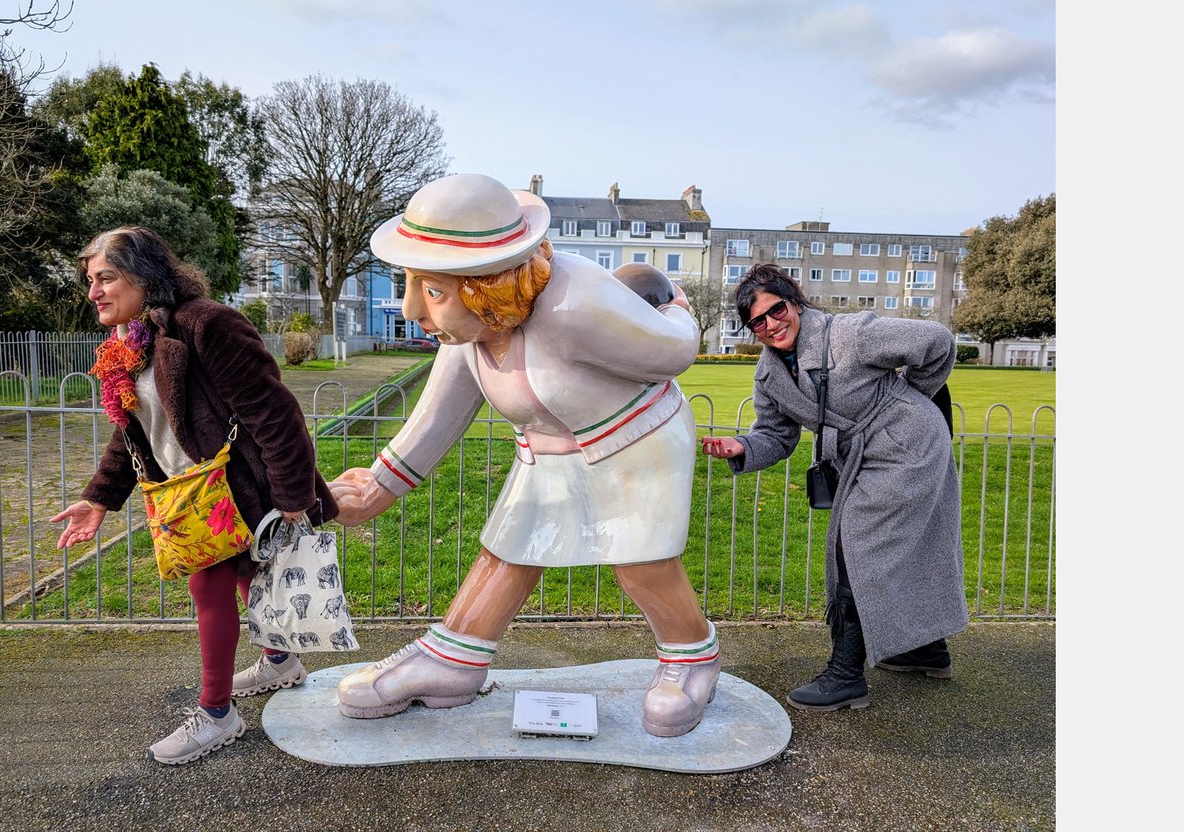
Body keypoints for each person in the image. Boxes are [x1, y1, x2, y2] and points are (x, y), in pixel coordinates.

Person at [328, 173, 721, 737]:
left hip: (636, 435)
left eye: (434, 291)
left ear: (490, 284)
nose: (413, 308)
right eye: (412, 283)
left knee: (641, 562)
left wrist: (677, 308)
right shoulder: (468, 332)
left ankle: (691, 657)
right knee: (508, 551)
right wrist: (380, 485)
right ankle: (454, 659)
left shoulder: (577, 301)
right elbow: (439, 414)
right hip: (548, 447)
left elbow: (675, 349)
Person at [50, 226, 337, 763]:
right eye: (91, 281)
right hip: (190, 495)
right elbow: (133, 433)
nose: (94, 293)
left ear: (145, 277)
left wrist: (294, 498)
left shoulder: (207, 324)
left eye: (106, 278)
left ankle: (216, 715)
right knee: (250, 577)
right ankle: (280, 660)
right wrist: (99, 500)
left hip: (245, 489)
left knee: (211, 587)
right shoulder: (127, 345)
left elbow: (275, 414)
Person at [700, 264, 968, 711]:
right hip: (864, 456)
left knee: (856, 549)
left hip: (908, 445)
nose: (771, 325)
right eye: (757, 322)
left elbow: (937, 341)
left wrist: (910, 398)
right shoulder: (769, 375)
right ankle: (925, 650)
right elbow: (777, 436)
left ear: (795, 302)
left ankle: (846, 674)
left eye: (777, 309)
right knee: (893, 550)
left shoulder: (848, 333)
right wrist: (740, 447)